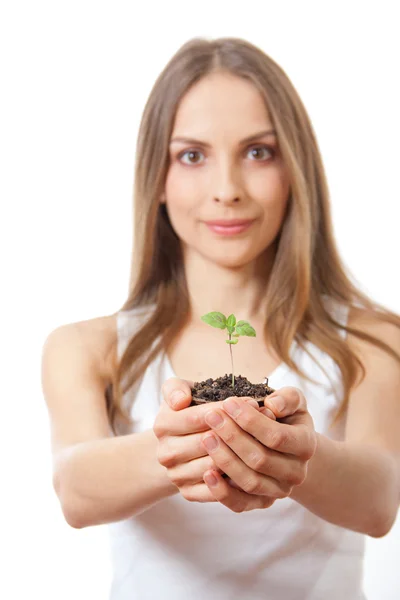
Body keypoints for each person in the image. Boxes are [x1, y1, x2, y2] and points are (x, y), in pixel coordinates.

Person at [41, 36, 400, 600]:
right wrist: (186, 442)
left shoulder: (371, 339)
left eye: (258, 152)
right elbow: (76, 489)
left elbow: (379, 499)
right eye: (192, 155)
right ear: (156, 177)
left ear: (295, 168)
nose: (227, 190)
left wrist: (298, 453)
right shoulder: (88, 348)